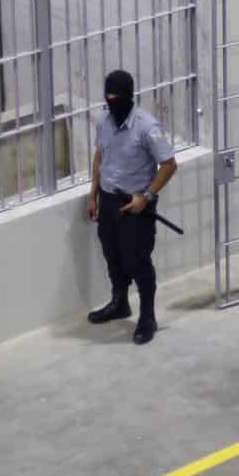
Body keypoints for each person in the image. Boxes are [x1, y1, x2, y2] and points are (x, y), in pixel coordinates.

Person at [86, 69, 178, 345]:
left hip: (135, 205)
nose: (112, 104)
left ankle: (147, 317)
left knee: (137, 261)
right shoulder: (103, 120)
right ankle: (119, 302)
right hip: (108, 199)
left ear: (128, 97)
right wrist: (93, 195)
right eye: (108, 98)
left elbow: (169, 165)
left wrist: (146, 197)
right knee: (112, 255)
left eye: (117, 99)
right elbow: (100, 156)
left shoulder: (146, 127)